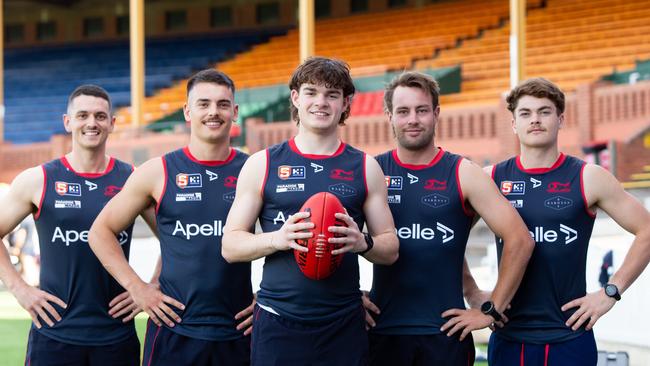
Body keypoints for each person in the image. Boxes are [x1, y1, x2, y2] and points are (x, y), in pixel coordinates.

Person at [222, 56, 399, 365]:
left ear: (346, 103)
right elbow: (230, 245)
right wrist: (278, 239)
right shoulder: (263, 164)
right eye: (311, 92)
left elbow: (391, 248)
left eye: (332, 94)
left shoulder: (365, 166)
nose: (321, 102)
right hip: (278, 320)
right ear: (295, 98)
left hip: (343, 322)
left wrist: (363, 243)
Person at [473, 78, 650, 365]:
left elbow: (647, 230)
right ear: (514, 124)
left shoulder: (587, 177)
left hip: (569, 335)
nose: (535, 120)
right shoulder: (491, 178)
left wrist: (611, 292)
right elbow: (451, 238)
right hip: (509, 335)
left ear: (560, 119)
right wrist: (472, 291)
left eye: (545, 112)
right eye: (526, 113)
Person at [362, 71, 534, 365]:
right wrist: (346, 297)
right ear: (390, 116)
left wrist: (490, 309)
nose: (413, 119)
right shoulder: (372, 170)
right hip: (382, 331)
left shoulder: (463, 172)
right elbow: (334, 235)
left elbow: (520, 240)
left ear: (436, 113)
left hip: (445, 334)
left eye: (422, 110)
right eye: (403, 111)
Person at [88, 69, 255, 366]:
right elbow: (100, 232)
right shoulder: (158, 171)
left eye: (222, 104)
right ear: (187, 111)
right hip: (173, 330)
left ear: (235, 112)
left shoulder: (255, 169)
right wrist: (138, 288)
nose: (213, 112)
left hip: (239, 331)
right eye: (203, 104)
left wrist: (269, 299)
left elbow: (284, 238)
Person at [0, 85, 144, 365]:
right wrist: (19, 289)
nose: (92, 123)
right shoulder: (38, 179)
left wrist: (152, 286)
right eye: (83, 115)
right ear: (68, 122)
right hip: (54, 335)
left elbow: (176, 237)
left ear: (112, 123)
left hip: (116, 335)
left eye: (101, 116)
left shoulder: (132, 179)